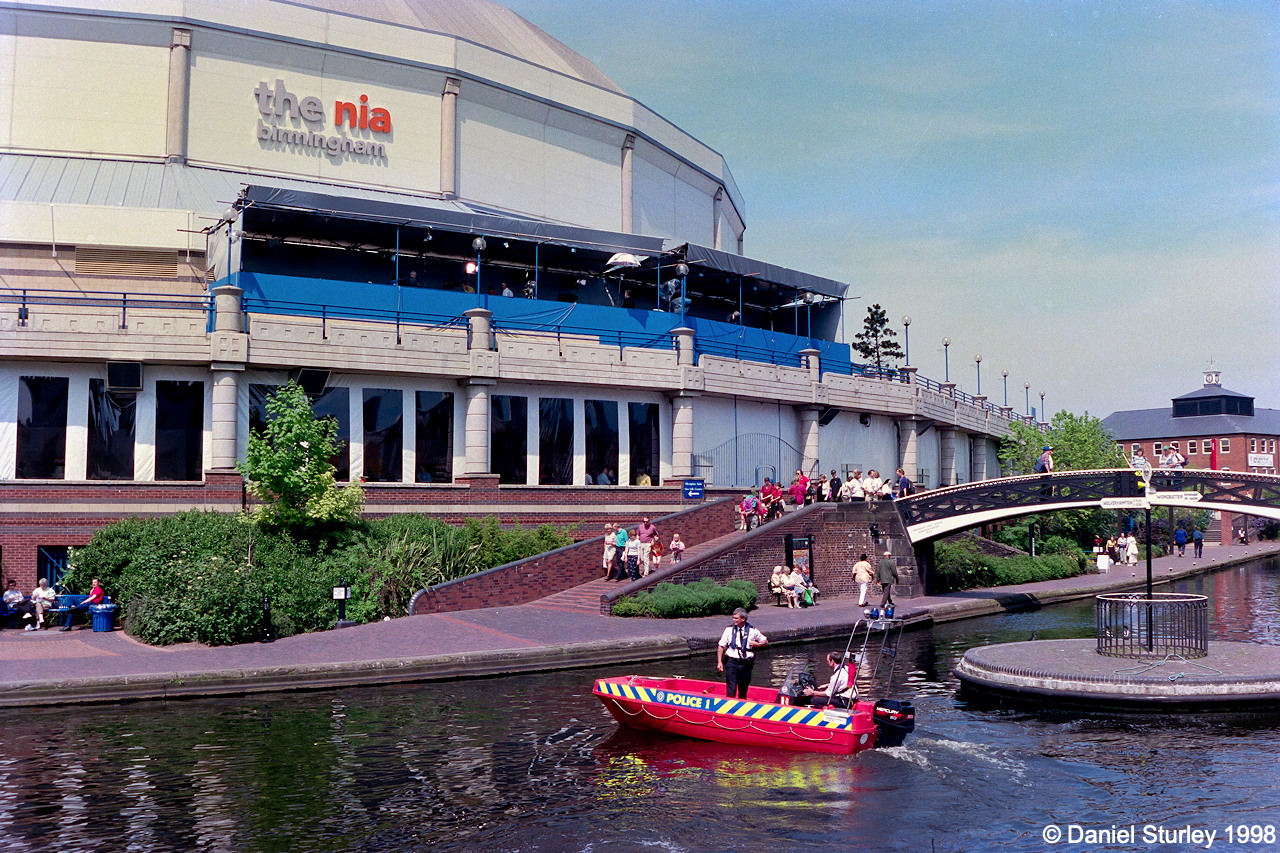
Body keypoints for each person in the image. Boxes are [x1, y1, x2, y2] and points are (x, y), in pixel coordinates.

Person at [716, 608, 768, 698]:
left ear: (743, 619)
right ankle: (729, 703)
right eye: (733, 618)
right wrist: (719, 662)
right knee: (731, 687)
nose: (734, 620)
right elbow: (721, 646)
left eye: (736, 618)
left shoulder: (752, 630)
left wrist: (758, 644)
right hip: (732, 661)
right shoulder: (729, 630)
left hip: (746, 663)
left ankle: (742, 703)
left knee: (743, 688)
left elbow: (765, 641)